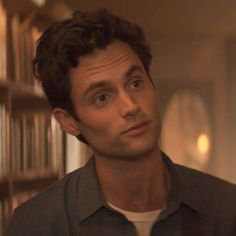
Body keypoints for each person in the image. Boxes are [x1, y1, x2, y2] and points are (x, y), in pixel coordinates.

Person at [7, 9, 236, 236]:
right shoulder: (37, 225)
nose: (131, 106)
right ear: (68, 122)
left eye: (135, 83)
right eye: (102, 97)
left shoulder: (226, 209)